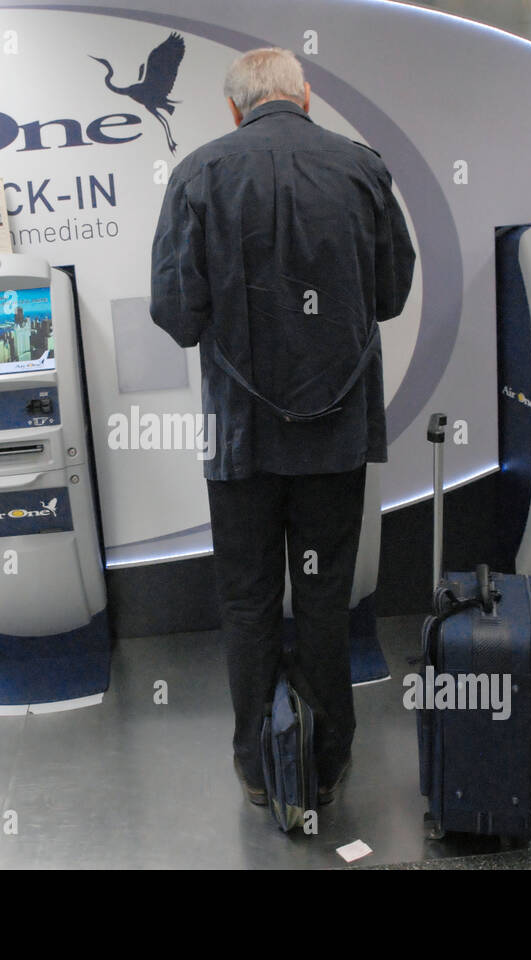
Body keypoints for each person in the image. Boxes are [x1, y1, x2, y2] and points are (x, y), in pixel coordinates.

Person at [149, 47, 415, 808]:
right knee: (325, 597)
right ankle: (328, 764)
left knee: (248, 600)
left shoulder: (199, 174)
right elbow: (392, 294)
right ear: (307, 96)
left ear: (235, 108)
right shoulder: (363, 170)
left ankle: (260, 767)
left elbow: (176, 316)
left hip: (243, 442)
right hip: (335, 436)